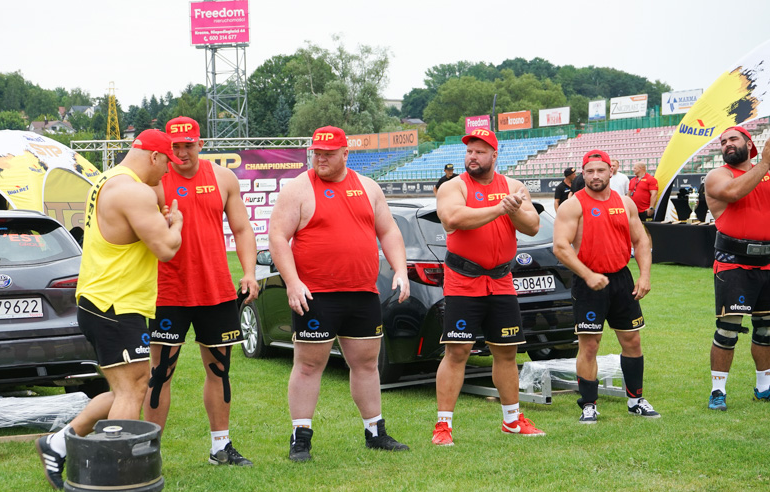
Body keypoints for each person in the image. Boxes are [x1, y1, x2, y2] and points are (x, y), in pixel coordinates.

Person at [37, 130, 184, 489]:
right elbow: (166, 248)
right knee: (133, 390)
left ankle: (57, 443)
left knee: (127, 387)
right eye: (167, 164)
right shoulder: (133, 191)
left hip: (106, 301)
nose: (167, 173)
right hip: (114, 304)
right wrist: (176, 223)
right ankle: (117, 476)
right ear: (153, 157)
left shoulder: (108, 180)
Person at [268, 125, 411, 461]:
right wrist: (292, 282)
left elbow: (388, 230)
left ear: (345, 153)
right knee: (308, 365)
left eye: (328, 153)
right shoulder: (298, 189)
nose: (320, 158)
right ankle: (300, 436)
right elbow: (278, 237)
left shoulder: (367, 187)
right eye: (316, 152)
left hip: (361, 292)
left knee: (366, 364)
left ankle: (375, 431)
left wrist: (401, 270)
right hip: (316, 294)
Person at [144, 117, 258, 466]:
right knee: (161, 372)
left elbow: (241, 228)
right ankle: (150, 452)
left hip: (216, 291)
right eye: (174, 146)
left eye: (187, 145)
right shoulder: (157, 182)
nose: (181, 153)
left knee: (220, 370)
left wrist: (250, 273)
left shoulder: (223, 178)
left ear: (200, 144)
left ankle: (220, 446)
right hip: (168, 293)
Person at [431, 128, 545, 446]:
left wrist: (513, 208)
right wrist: (501, 209)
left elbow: (533, 226)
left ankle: (512, 420)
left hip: (501, 280)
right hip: (463, 280)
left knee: (506, 353)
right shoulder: (453, 186)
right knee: (457, 351)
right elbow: (452, 218)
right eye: (469, 151)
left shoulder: (513, 186)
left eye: (480, 151)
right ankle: (443, 426)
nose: (473, 156)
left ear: (495, 155)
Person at [553, 149, 658, 423]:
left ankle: (636, 401)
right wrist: (587, 275)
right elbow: (561, 247)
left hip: (620, 280)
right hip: (588, 283)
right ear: (583, 173)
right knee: (589, 345)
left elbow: (641, 241)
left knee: (632, 341)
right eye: (590, 171)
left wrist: (644, 275)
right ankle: (588, 404)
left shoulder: (625, 203)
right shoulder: (573, 205)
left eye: (601, 170)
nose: (595, 176)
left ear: (611, 171)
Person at [702, 126, 770, 411]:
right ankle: (718, 391)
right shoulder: (719, 175)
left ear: (749, 143)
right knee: (728, 330)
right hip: (733, 263)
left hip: (767, 262)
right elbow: (732, 193)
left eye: (733, 139)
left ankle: (764, 387)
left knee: (766, 330)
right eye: (723, 142)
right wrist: (765, 162)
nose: (727, 144)